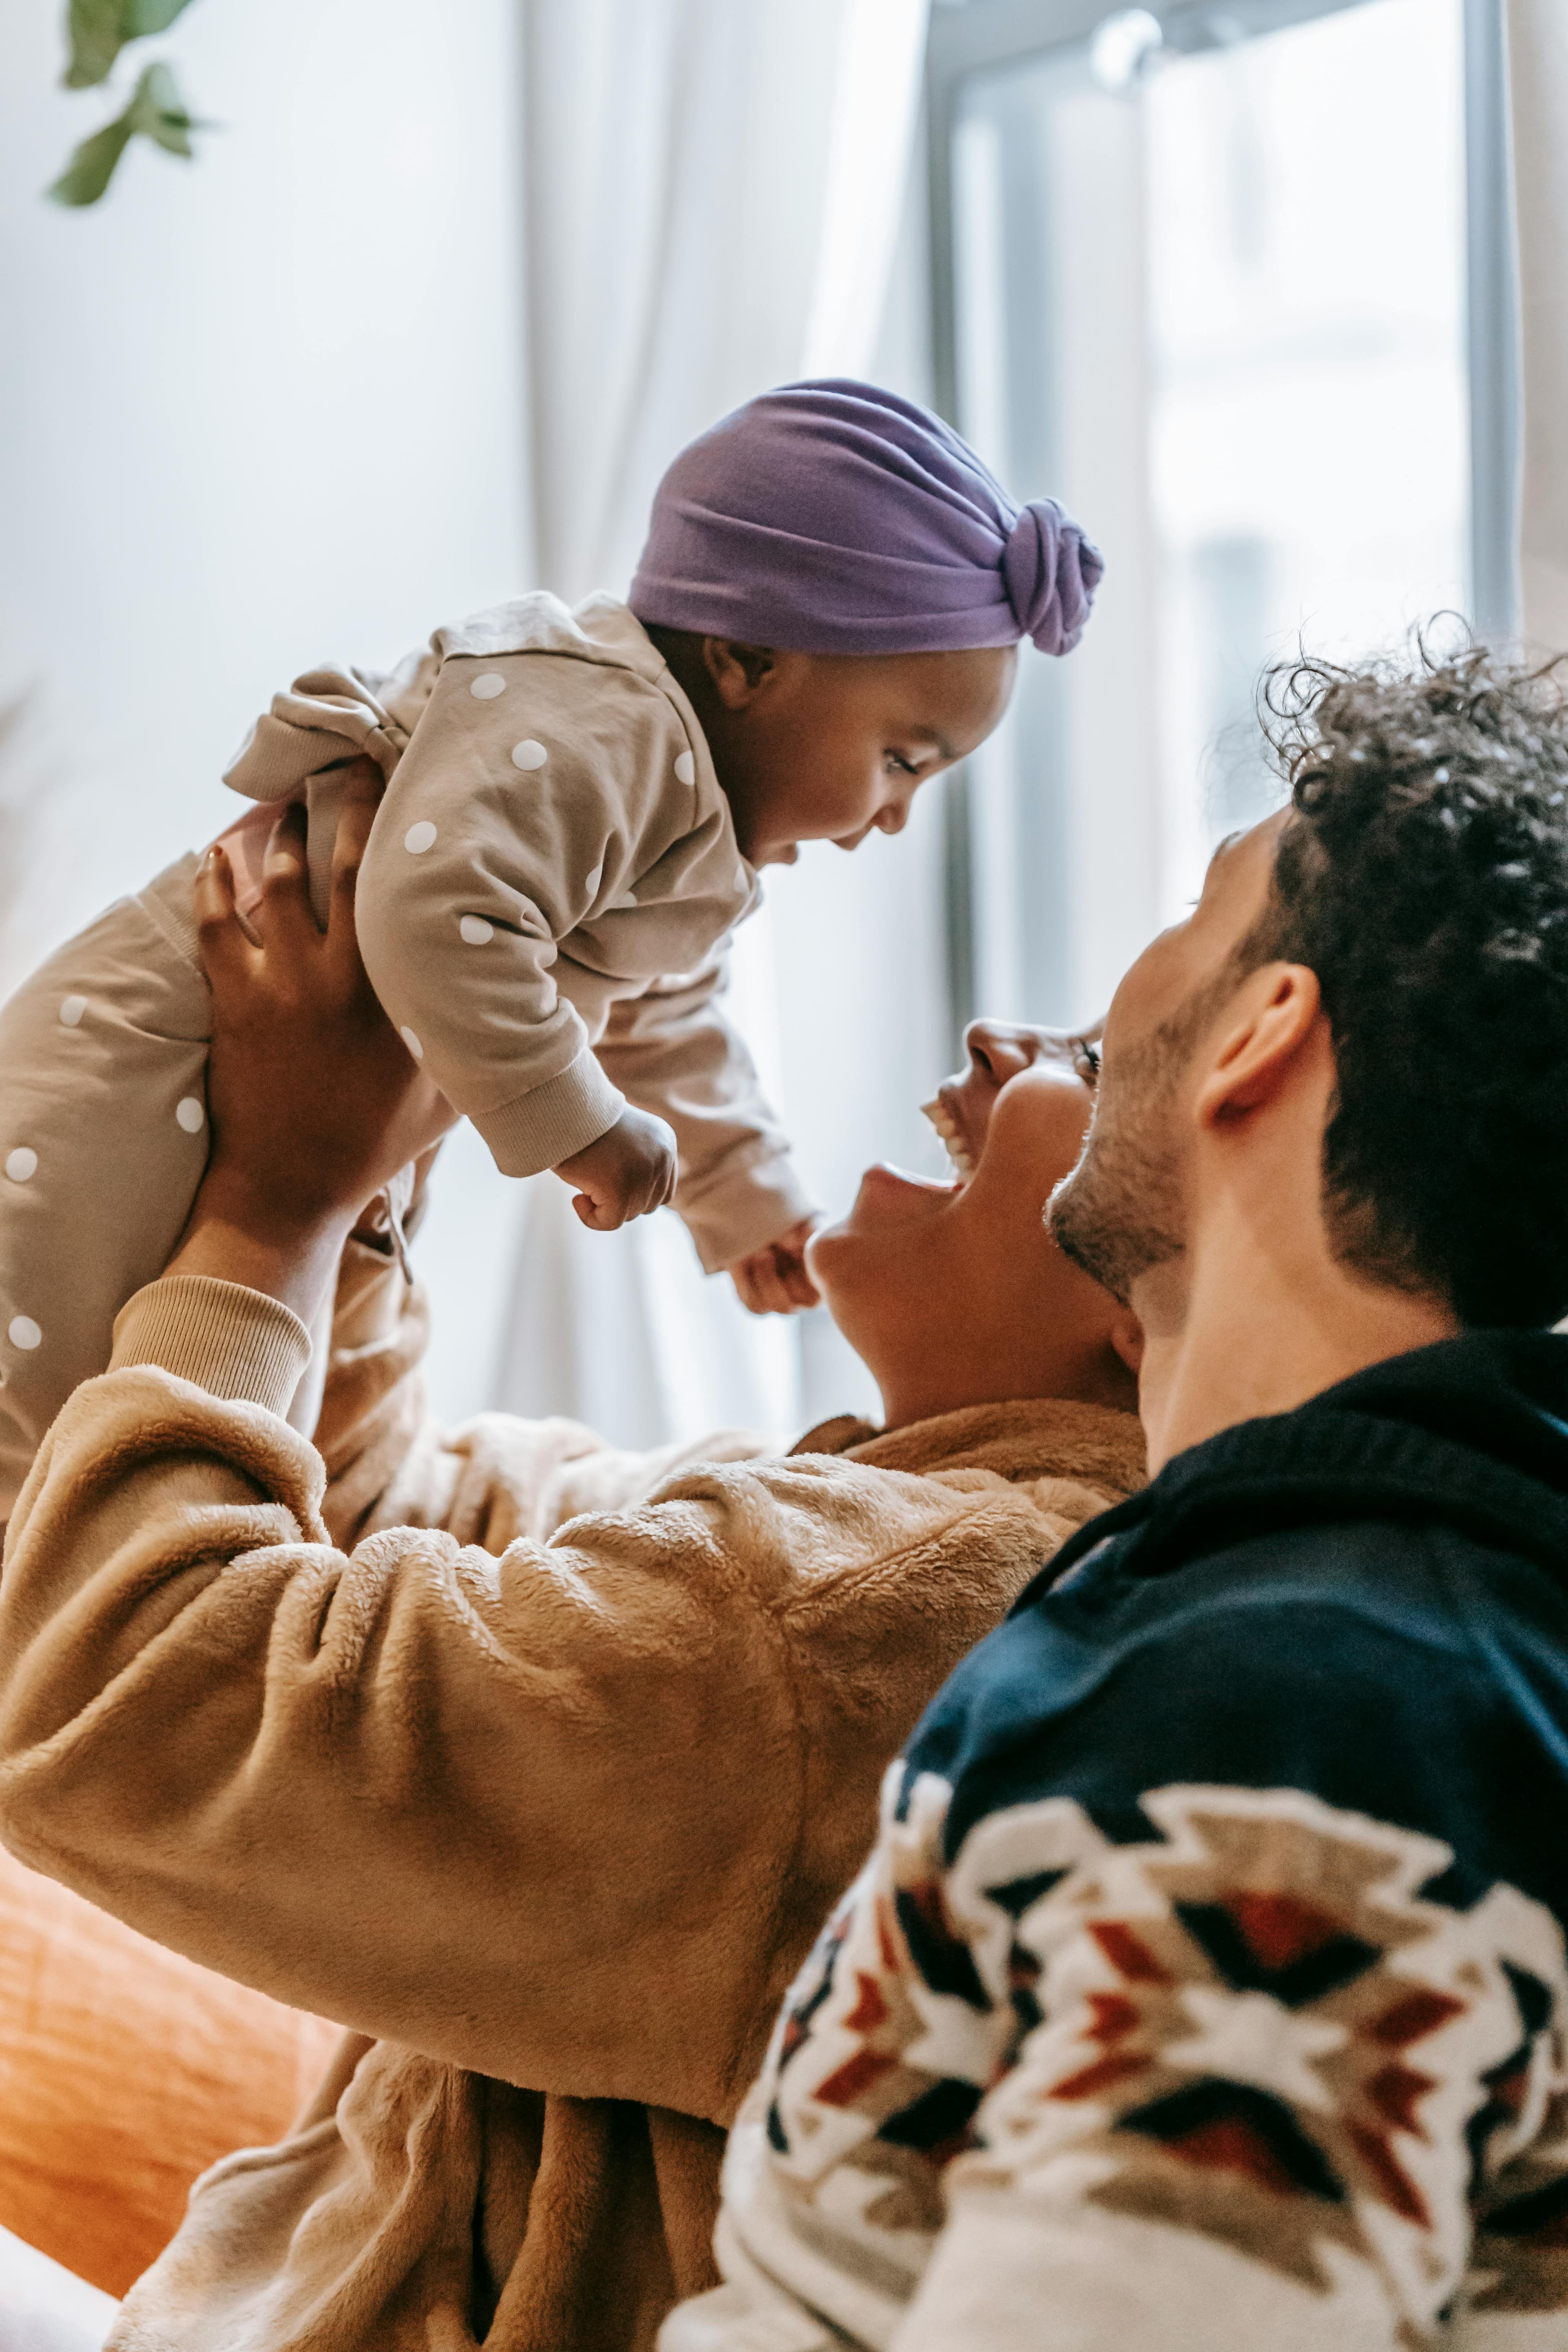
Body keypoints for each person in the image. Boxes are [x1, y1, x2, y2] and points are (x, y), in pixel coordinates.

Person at [0, 761, 1142, 2350]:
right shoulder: (881, 1529)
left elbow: (124, 1703)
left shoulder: (872, 1613)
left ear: (1157, 1311)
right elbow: (390, 1541)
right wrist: (373, 1162)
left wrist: (275, 1211)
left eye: (1089, 1060)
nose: (994, 1043)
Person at [667, 637, 1568, 2351]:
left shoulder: (1305, 1720)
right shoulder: (1295, 1620)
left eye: (1195, 919)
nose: (1077, 1022)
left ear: (1260, 1035)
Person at [0, 379, 1100, 1522]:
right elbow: (437, 916)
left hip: (228, 1089)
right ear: (747, 661)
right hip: (138, 1062)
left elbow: (665, 1011)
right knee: (42, 1412)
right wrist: (585, 1127)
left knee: (91, 1433)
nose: (894, 818)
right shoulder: (607, 725)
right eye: (904, 761)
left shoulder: (680, 814)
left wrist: (742, 1193)